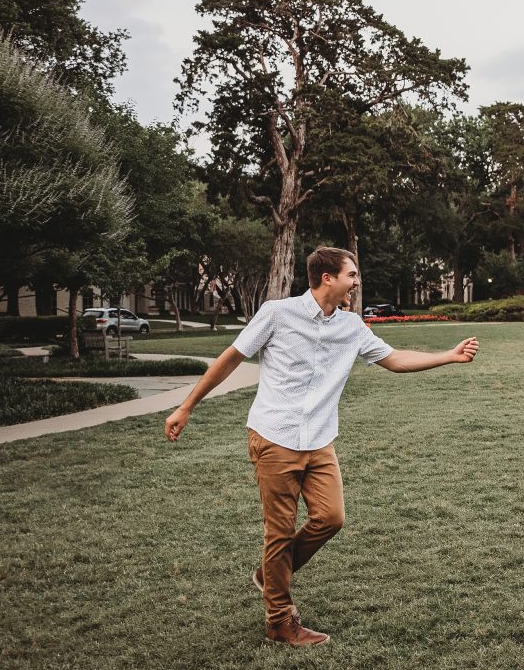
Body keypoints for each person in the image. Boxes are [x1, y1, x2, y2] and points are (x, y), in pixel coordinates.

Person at [164, 246, 479, 645]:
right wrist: (187, 407)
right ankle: (280, 621)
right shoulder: (277, 314)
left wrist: (448, 357)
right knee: (278, 533)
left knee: (330, 518)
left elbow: (395, 359)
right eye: (352, 274)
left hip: (320, 440)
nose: (356, 281)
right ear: (327, 278)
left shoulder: (351, 327)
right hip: (275, 436)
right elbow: (230, 358)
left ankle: (269, 575)